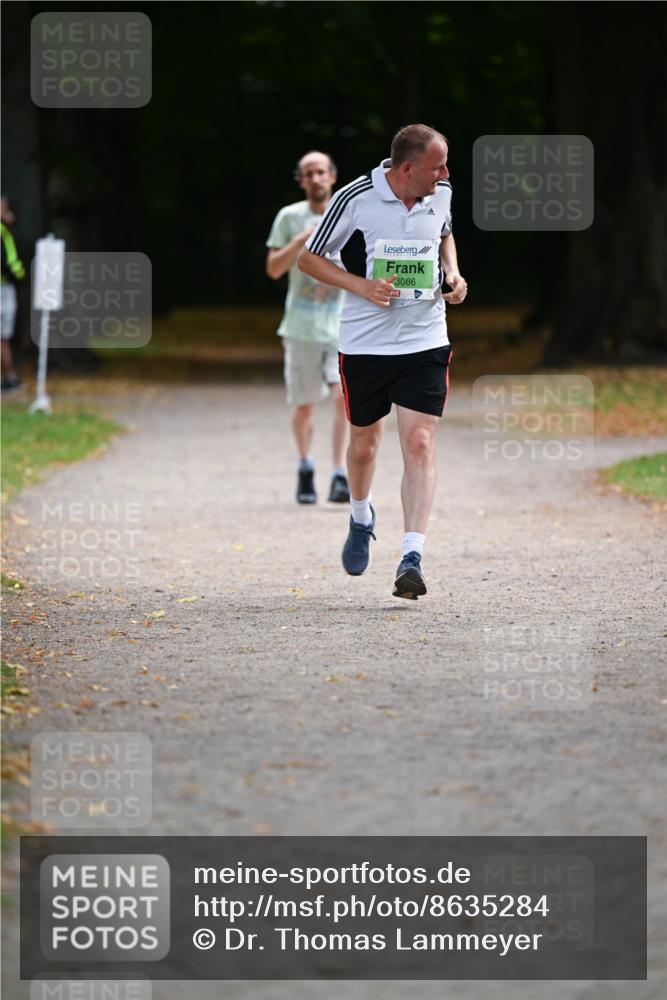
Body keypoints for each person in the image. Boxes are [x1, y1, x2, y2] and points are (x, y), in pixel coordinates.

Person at [298, 124, 468, 599]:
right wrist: (362, 286)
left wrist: (453, 274)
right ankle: (360, 515)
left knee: (418, 442)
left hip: (425, 339)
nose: (447, 173)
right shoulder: (356, 197)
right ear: (407, 168)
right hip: (366, 344)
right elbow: (310, 260)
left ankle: (411, 556)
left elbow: (445, 234)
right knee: (365, 447)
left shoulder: (442, 191)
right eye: (438, 166)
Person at [266, 151, 350, 505]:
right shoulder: (289, 217)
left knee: (345, 398)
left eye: (321, 172)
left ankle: (340, 474)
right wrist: (300, 241)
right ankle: (304, 466)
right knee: (304, 406)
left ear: (332, 176)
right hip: (301, 326)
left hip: (343, 325)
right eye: (308, 174)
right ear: (301, 180)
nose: (315, 179)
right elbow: (273, 269)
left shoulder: (348, 214)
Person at [1, 195, 26, 394]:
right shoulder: (3, 233)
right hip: (3, 290)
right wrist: (21, 275)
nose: (10, 215)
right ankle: (9, 378)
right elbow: (11, 264)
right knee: (3, 339)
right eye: (6, 210)